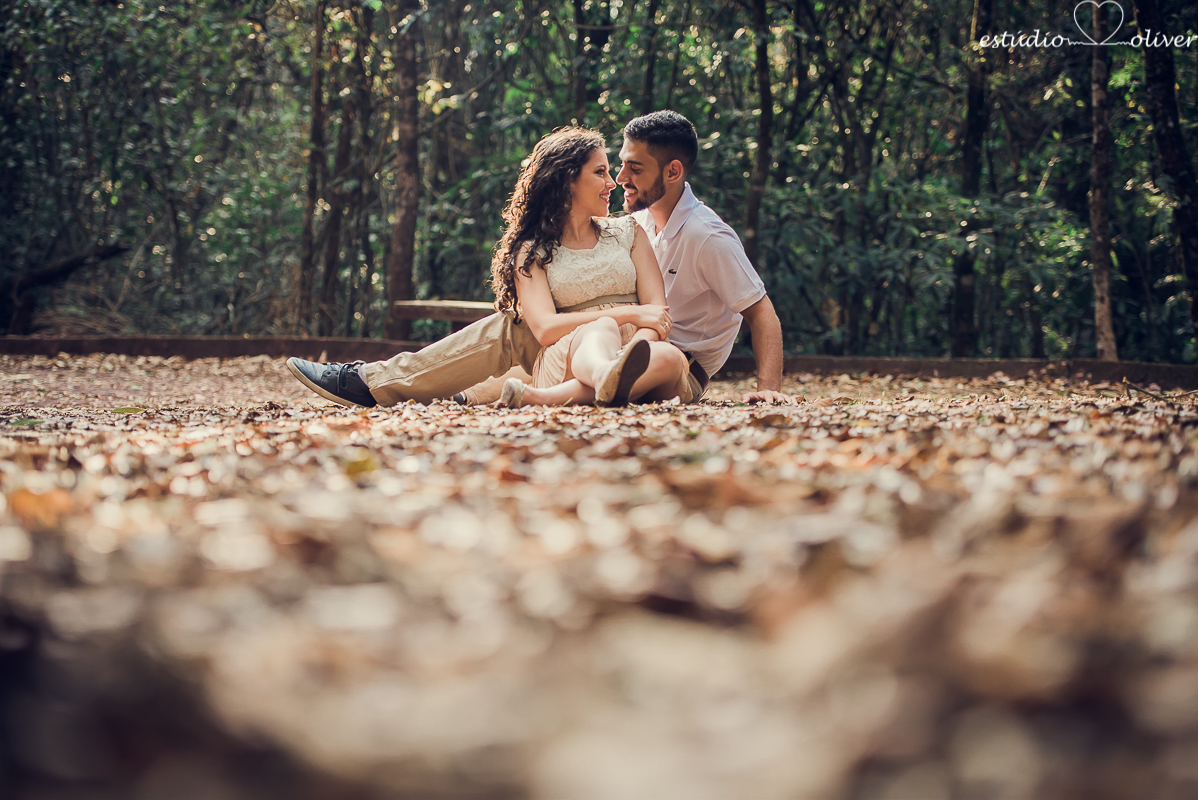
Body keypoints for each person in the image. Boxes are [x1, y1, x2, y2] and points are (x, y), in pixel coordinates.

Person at [286, 110, 793, 407]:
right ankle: (381, 381)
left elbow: (754, 312)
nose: (618, 180)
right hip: (589, 344)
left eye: (630, 169)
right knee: (522, 329)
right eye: (610, 169)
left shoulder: (701, 236)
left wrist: (768, 391)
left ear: (674, 172)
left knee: (538, 336)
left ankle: (387, 383)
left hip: (666, 359)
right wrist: (630, 316)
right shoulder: (638, 223)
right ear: (566, 182)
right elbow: (573, 324)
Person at [486, 126, 690, 407]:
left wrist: (630, 352)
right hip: (570, 357)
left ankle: (552, 395)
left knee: (668, 357)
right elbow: (545, 328)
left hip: (642, 351)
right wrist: (627, 314)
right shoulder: (531, 252)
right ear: (568, 179)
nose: (612, 182)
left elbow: (656, 313)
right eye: (600, 172)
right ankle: (604, 374)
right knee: (601, 326)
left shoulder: (629, 232)